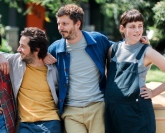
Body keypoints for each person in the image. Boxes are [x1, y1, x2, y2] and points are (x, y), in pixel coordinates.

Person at [47, 4, 149, 133]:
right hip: (71, 111)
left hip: (97, 107)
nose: (60, 28)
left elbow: (122, 49)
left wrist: (140, 43)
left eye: (65, 24)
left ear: (77, 24)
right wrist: (43, 55)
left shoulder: (97, 40)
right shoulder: (55, 49)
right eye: (59, 24)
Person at [104, 9, 165, 133]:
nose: (137, 30)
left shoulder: (147, 51)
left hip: (138, 114)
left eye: (140, 26)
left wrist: (153, 93)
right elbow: (108, 76)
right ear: (122, 28)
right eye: (132, 27)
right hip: (114, 113)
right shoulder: (113, 49)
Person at [0, 27, 62, 133]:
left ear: (36, 50)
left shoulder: (53, 69)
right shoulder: (16, 61)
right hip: (25, 124)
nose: (18, 49)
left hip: (50, 122)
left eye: (23, 46)